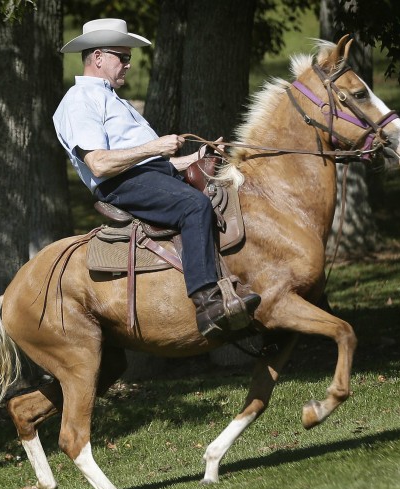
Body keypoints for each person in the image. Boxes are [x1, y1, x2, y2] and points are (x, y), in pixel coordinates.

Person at [52, 18, 259, 337]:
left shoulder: (112, 99)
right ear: (98, 57)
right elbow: (98, 163)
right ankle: (207, 303)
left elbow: (151, 163)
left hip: (146, 177)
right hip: (119, 185)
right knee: (194, 206)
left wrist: (197, 157)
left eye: (128, 58)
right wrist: (155, 145)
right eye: (123, 57)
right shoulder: (79, 101)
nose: (128, 65)